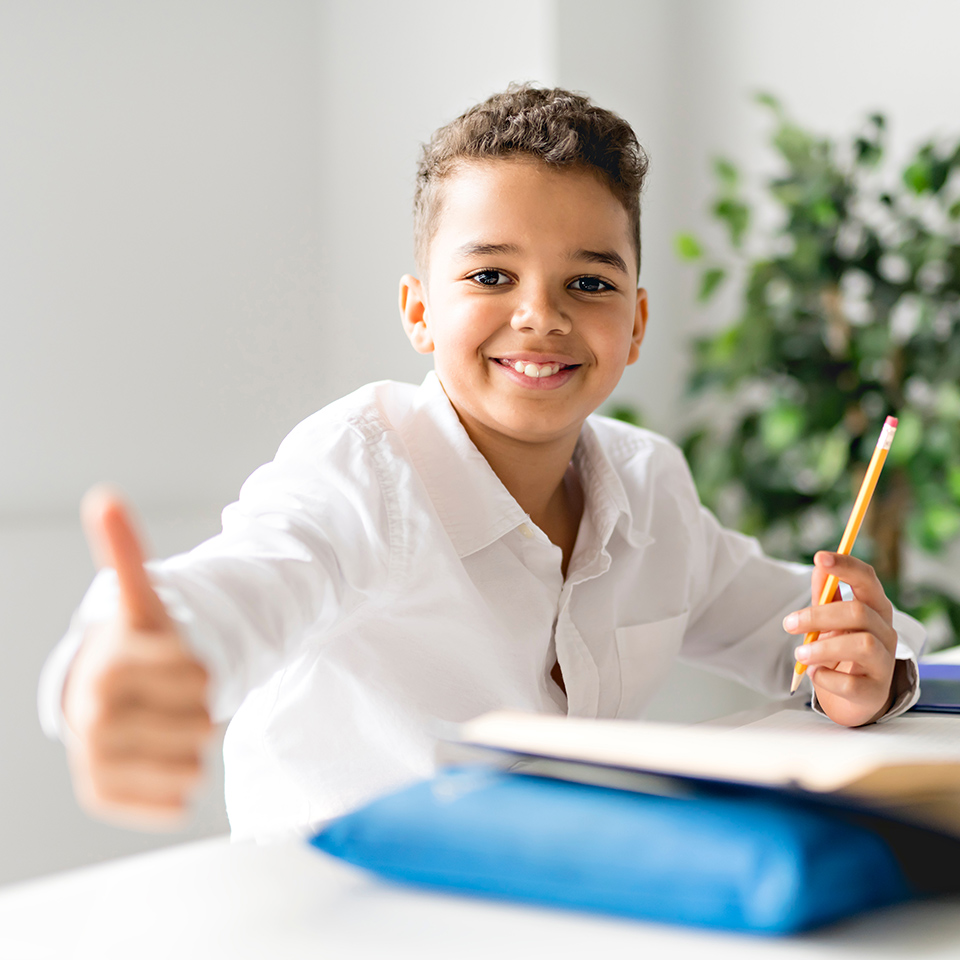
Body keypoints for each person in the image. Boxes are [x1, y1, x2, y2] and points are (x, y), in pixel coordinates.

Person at [39, 85, 923, 841]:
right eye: (491, 276)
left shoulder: (652, 488)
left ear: (639, 325)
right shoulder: (358, 472)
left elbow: (809, 638)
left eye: (590, 282)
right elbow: (240, 584)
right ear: (419, 311)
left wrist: (868, 667)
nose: (540, 316)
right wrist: (122, 659)